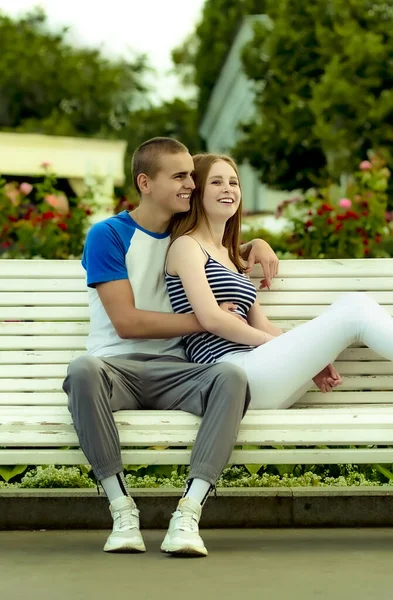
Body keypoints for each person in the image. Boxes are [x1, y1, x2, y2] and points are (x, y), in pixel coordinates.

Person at [62, 138, 279, 557]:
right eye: (180, 177)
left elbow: (224, 250)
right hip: (115, 369)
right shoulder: (109, 235)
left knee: (232, 376)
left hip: (177, 371)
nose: (191, 186)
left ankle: (189, 512)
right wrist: (210, 317)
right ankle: (122, 508)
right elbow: (126, 322)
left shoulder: (186, 238)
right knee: (82, 370)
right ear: (145, 182)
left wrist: (254, 246)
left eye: (192, 178)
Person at [166, 152, 393, 410]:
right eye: (216, 182)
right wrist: (275, 345)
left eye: (234, 182)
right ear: (196, 191)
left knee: (349, 305)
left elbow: (262, 324)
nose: (228, 189)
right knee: (356, 308)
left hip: (260, 370)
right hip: (228, 374)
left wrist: (308, 358)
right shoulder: (186, 246)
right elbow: (211, 319)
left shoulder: (231, 256)